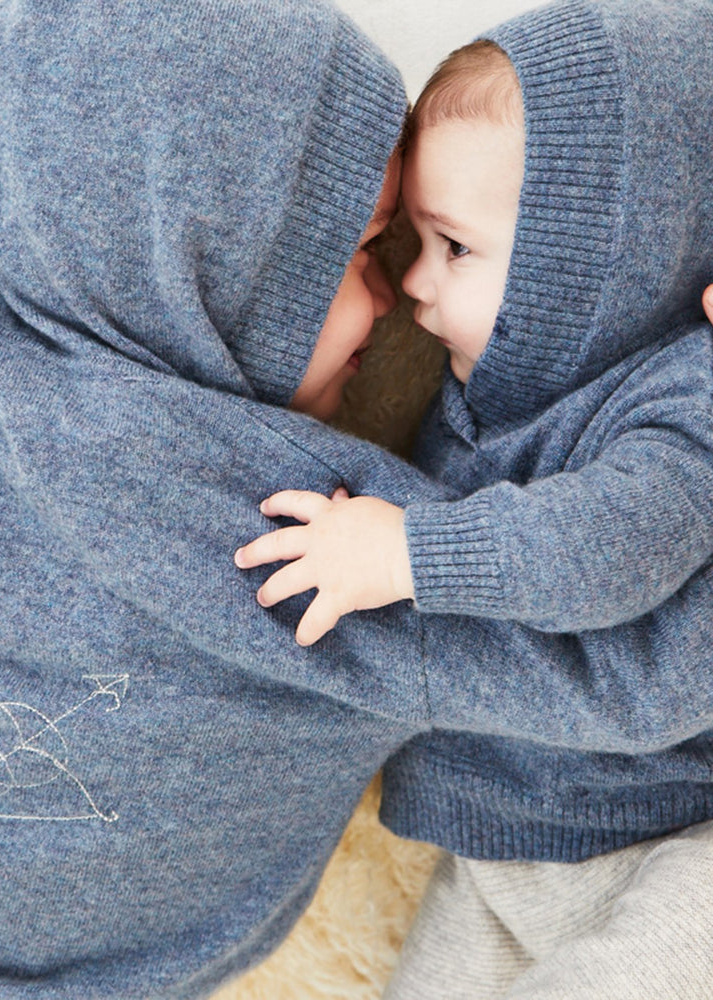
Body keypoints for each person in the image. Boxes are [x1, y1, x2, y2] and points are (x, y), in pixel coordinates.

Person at [0, 1, 713, 997]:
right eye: (362, 248)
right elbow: (630, 667)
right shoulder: (296, 532)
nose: (391, 300)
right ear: (207, 268)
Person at [235, 0, 713, 995]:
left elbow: (615, 545)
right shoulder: (464, 393)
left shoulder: (682, 396)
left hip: (672, 834)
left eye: (453, 248)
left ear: (580, 273)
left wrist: (405, 555)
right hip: (495, 843)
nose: (414, 282)